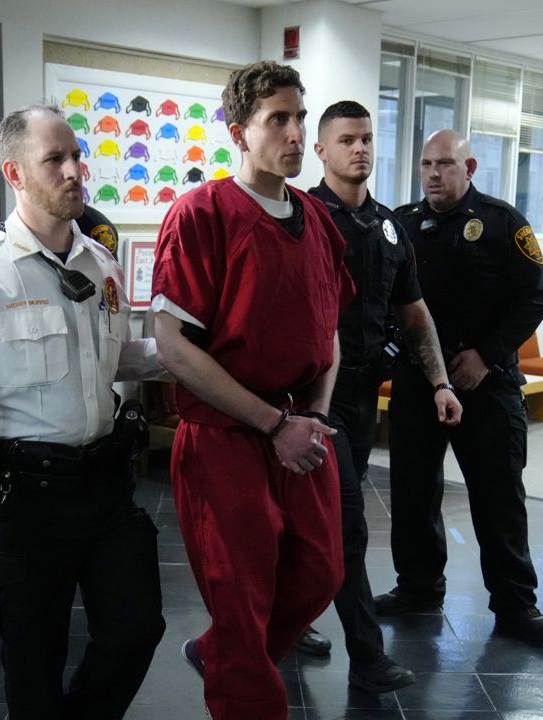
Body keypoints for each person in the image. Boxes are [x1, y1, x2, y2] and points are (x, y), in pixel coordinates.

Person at [0, 103, 166, 719]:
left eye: (76, 155)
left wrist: (184, 353)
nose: (74, 170)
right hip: (25, 496)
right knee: (33, 658)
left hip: (106, 489)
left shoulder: (100, 266)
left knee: (137, 629)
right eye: (54, 159)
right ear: (16, 173)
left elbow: (112, 360)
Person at [151, 61, 353, 720]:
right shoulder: (202, 214)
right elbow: (175, 346)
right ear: (239, 132)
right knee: (242, 597)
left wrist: (314, 418)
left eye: (300, 117)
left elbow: (329, 330)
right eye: (279, 121)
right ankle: (239, 672)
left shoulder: (318, 220)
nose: (297, 134)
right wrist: (274, 424)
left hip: (301, 427)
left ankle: (227, 651)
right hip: (226, 435)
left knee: (321, 571)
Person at [298, 101, 463, 693]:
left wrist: (440, 381)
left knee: (315, 520)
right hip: (316, 396)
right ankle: (367, 655)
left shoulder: (390, 225)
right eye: (346, 140)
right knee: (347, 524)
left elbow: (413, 311)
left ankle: (287, 621)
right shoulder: (302, 218)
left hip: (367, 392)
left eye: (367, 138)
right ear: (321, 150)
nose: (360, 149)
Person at [378, 129, 543, 644]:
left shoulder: (504, 223)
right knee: (413, 491)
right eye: (425, 164)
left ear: (469, 167)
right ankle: (417, 586)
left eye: (444, 164)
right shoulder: (404, 224)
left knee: (498, 497)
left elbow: (535, 299)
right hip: (420, 381)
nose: (433, 174)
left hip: (488, 383)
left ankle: (515, 606)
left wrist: (486, 355)